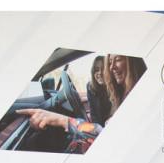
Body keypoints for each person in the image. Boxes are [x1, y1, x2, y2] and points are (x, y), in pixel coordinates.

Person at [17, 53, 147, 153]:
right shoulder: (121, 93)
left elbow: (106, 136)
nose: (112, 67)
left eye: (118, 59)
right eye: (110, 62)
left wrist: (63, 120)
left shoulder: (140, 95)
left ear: (132, 62)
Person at [86, 55, 111, 126]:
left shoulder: (114, 87)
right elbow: (93, 113)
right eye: (96, 70)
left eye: (103, 69)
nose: (100, 73)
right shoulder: (90, 87)